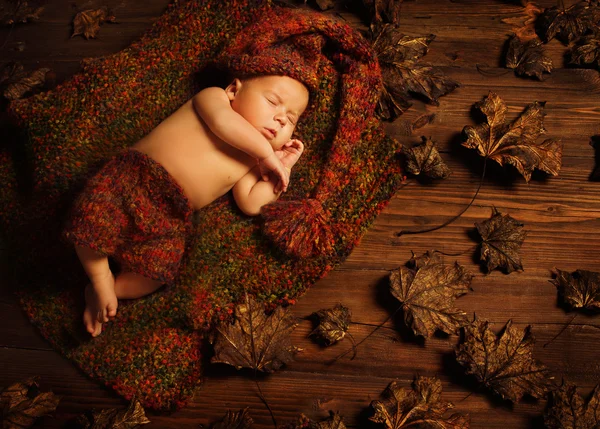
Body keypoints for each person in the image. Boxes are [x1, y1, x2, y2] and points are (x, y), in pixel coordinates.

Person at [63, 74, 310, 337]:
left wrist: (281, 167)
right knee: (92, 216)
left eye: (291, 118)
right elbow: (222, 124)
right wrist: (266, 153)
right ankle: (100, 277)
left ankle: (109, 289)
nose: (282, 118)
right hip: (134, 177)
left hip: (171, 215)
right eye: (273, 101)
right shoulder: (214, 99)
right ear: (233, 90)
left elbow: (250, 202)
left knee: (157, 271)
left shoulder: (254, 159)